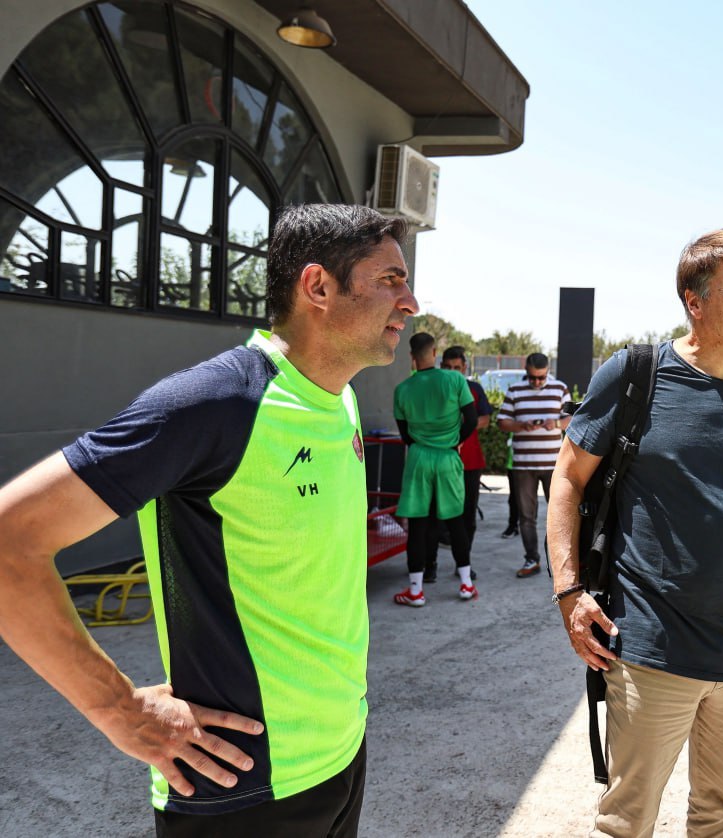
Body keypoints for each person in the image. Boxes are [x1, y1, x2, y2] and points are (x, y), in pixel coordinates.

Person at [0, 204, 419, 835]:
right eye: (390, 280)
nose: (411, 303)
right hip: (240, 788)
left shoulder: (342, 403)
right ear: (318, 286)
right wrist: (119, 709)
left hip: (341, 757)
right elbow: (10, 539)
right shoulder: (214, 404)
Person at [546, 229, 723, 836]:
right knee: (627, 821)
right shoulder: (636, 375)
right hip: (648, 651)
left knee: (722, 818)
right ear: (694, 301)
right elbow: (567, 478)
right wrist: (569, 591)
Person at [392, 334, 479, 604]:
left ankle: (415, 591)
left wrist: (424, 444)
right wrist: (453, 442)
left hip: (418, 457)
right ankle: (466, 585)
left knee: (418, 524)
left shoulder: (402, 389)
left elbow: (405, 434)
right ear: (434, 352)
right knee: (455, 521)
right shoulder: (455, 380)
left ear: (412, 356)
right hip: (448, 456)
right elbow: (471, 419)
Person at [497, 353, 570, 578]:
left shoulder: (560, 388)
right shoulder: (515, 390)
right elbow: (502, 422)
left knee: (559, 514)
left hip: (553, 465)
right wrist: (521, 426)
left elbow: (573, 420)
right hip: (523, 466)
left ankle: (563, 561)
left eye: (541, 377)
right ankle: (532, 559)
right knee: (526, 516)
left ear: (548, 371)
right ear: (526, 371)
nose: (537, 382)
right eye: (532, 378)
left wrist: (555, 423)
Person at [439, 345, 492, 554]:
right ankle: (431, 564)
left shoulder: (474, 388)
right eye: (448, 367)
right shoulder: (435, 387)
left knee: (468, 513)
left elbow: (486, 419)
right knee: (439, 512)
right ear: (441, 366)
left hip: (470, 461)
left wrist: (466, 422)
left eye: (457, 367)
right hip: (441, 458)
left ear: (464, 368)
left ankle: (464, 563)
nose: (453, 371)